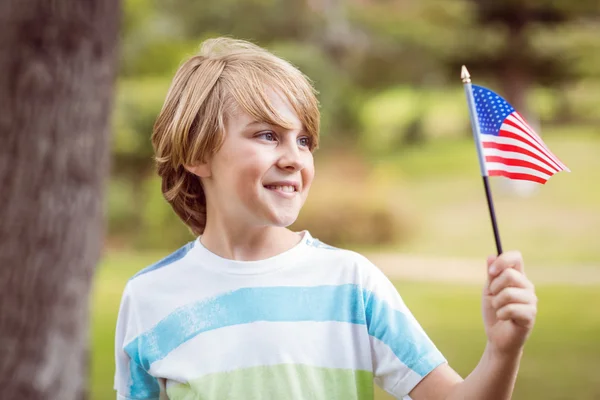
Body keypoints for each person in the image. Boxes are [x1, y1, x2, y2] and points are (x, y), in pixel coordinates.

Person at [114, 37, 537, 400]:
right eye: (267, 135)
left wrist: (502, 351)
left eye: (304, 140)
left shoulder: (350, 283)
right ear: (197, 154)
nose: (294, 158)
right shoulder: (149, 298)